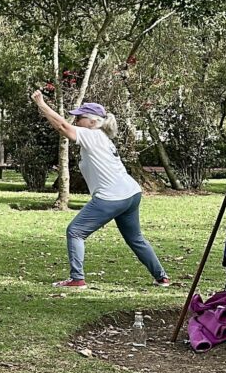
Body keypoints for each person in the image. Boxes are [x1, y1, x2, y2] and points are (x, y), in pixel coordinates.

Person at [31, 91, 170, 288]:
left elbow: (63, 126)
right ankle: (161, 277)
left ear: (93, 121)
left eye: (80, 117)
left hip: (111, 197)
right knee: (135, 238)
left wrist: (42, 104)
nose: (76, 120)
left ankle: (77, 279)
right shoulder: (99, 137)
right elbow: (62, 128)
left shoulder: (92, 135)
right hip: (130, 193)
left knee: (75, 231)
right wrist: (46, 112)